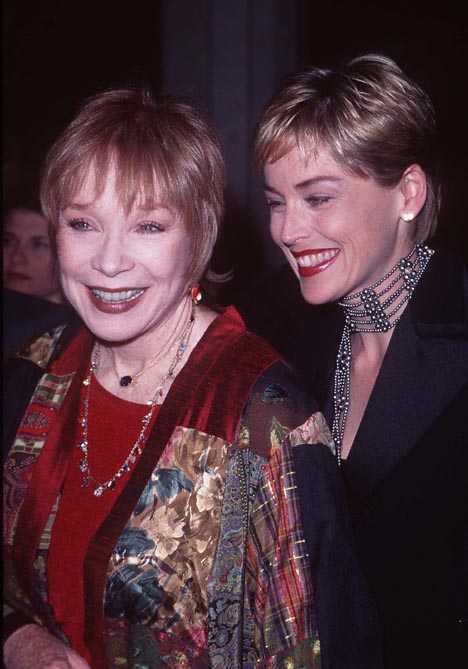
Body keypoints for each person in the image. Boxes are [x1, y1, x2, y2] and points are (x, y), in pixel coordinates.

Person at [3, 86, 382, 669]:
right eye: (83, 223)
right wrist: (18, 641)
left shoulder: (263, 420)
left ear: (199, 236)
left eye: (148, 227)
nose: (108, 261)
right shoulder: (34, 368)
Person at [249, 53, 468, 668]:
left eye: (318, 198)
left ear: (408, 193)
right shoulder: (284, 339)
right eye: (275, 201)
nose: (288, 230)